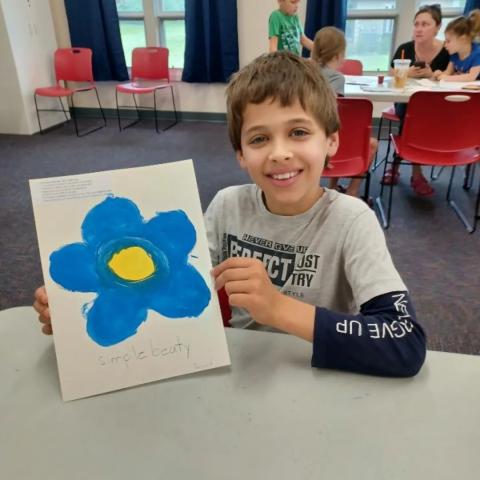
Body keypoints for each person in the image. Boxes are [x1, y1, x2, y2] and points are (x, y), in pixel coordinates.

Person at [34, 51, 427, 377]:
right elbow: (167, 287)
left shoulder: (351, 220)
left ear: (332, 141)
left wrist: (278, 308)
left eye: (299, 132)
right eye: (259, 139)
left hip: (320, 374)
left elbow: (404, 342)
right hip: (240, 369)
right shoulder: (227, 205)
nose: (279, 153)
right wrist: (70, 316)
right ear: (241, 154)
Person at [382, 4, 450, 196]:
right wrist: (407, 72)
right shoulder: (405, 48)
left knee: (417, 117)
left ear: (437, 27)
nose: (419, 29)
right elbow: (391, 73)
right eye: (416, 24)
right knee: (413, 115)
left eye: (425, 24)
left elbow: (452, 74)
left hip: (438, 106)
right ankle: (416, 173)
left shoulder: (446, 51)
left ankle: (396, 164)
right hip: (407, 105)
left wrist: (434, 74)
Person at [311, 26, 378, 198]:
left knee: (344, 131)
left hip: (312, 136)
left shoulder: (307, 72)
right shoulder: (337, 78)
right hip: (328, 140)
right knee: (371, 143)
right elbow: (331, 111)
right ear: (338, 55)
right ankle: (353, 190)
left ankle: (333, 187)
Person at [432, 16, 480, 82]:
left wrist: (446, 78)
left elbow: (471, 77)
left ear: (463, 39)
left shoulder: (477, 54)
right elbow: (448, 72)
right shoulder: (455, 54)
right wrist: (439, 74)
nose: (445, 45)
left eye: (448, 41)